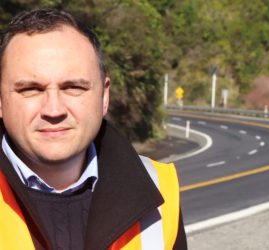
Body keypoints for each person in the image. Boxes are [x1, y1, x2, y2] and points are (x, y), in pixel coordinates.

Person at [0, 9, 187, 250]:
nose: (54, 110)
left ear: (104, 96)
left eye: (73, 87)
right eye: (31, 89)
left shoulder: (158, 189)